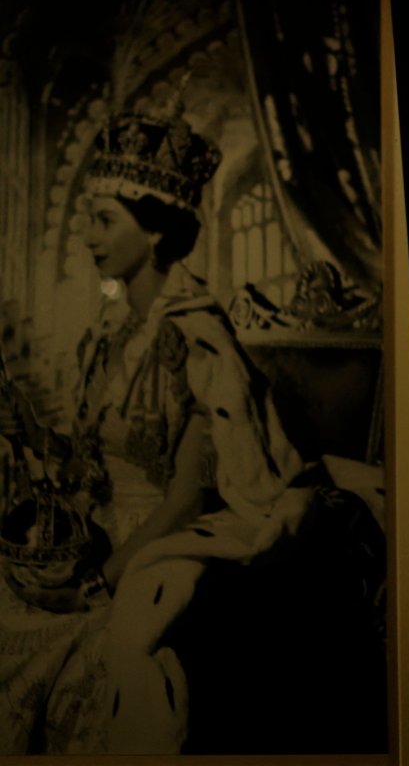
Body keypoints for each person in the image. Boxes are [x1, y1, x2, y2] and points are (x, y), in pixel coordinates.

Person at [0, 103, 383, 754]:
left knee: (95, 653)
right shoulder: (111, 335)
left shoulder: (196, 342)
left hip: (163, 547)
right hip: (97, 540)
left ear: (152, 232)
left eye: (103, 220)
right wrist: (29, 431)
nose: (88, 235)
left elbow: (182, 502)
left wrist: (97, 584)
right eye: (89, 219)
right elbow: (87, 462)